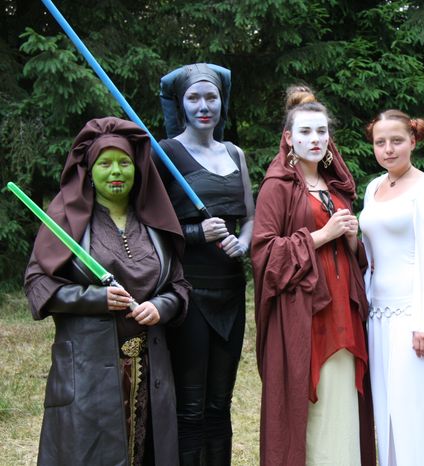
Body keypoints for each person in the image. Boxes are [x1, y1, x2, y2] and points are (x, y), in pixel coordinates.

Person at [23, 117, 190, 466]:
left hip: (149, 368)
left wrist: (162, 306)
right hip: (87, 369)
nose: (116, 171)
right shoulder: (66, 221)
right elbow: (38, 284)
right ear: (89, 170)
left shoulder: (154, 223)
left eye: (124, 162)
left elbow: (179, 285)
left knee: (145, 453)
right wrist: (94, 299)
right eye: (105, 163)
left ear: (137, 168)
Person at [251, 86, 375, 466]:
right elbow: (264, 254)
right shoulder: (277, 187)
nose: (315, 139)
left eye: (322, 131)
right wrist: (322, 235)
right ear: (289, 138)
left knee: (342, 396)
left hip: (343, 309)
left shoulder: (337, 187)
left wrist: (351, 239)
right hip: (304, 313)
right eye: (305, 132)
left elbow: (352, 257)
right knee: (310, 399)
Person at [155, 63, 255, 465]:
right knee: (191, 406)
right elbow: (153, 226)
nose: (203, 106)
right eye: (193, 98)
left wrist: (242, 243)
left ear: (221, 101)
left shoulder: (235, 154)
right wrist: (197, 233)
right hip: (189, 293)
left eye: (211, 97)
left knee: (219, 404)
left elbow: (249, 218)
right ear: (180, 103)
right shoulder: (165, 153)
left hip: (231, 290)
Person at [359, 109, 424, 466]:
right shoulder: (373, 188)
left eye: (397, 140)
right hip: (379, 314)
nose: (388, 149)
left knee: (416, 412)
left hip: (415, 316)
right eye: (380, 142)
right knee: (388, 411)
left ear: (413, 141)